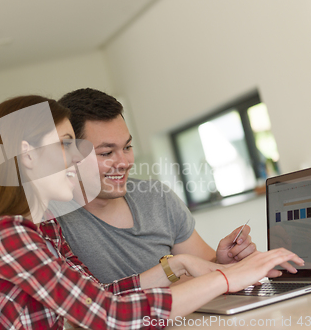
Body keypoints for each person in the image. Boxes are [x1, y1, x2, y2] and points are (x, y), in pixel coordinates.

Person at [0, 95, 304, 329]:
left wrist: (180, 266)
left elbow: (95, 296)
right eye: (65, 145)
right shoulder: (8, 234)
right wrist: (227, 278)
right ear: (28, 155)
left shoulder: (41, 230)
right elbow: (108, 316)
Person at [57, 88, 257, 283]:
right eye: (106, 153)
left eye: (127, 147)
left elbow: (206, 265)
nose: (124, 163)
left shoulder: (157, 197)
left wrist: (222, 262)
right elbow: (93, 304)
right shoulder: (54, 224)